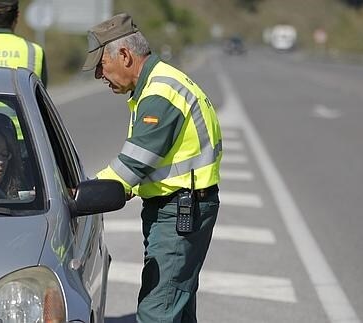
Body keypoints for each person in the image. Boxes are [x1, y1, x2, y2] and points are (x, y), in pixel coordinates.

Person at [82, 13, 223, 323]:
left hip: (180, 213)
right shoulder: (159, 84)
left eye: (100, 65)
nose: (98, 75)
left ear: (124, 55)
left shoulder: (160, 93)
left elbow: (131, 168)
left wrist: (80, 194)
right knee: (177, 307)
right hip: (178, 209)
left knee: (156, 312)